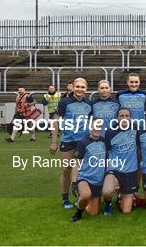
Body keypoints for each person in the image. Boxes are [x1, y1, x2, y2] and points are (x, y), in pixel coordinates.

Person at [49, 78, 92, 209]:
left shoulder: (89, 104)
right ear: (73, 87)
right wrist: (53, 142)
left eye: (82, 87)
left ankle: (81, 196)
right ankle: (65, 199)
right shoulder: (64, 102)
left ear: (86, 88)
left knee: (82, 171)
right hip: (68, 141)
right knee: (66, 170)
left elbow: (92, 124)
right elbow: (55, 122)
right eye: (77, 86)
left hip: (83, 142)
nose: (80, 89)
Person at [102, 108, 139, 214]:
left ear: (130, 117)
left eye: (127, 116)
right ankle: (108, 203)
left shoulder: (136, 129)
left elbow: (139, 148)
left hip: (130, 171)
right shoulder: (110, 132)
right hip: (115, 169)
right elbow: (107, 151)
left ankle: (121, 196)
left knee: (126, 211)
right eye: (121, 116)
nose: (124, 118)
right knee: (107, 191)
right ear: (117, 118)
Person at [71, 119, 106, 222]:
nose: (97, 129)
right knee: (86, 195)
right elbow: (77, 163)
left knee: (93, 213)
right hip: (85, 178)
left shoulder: (104, 142)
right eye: (95, 126)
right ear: (90, 127)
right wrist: (74, 182)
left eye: (100, 127)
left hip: (98, 182)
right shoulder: (83, 142)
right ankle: (78, 212)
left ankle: (84, 200)